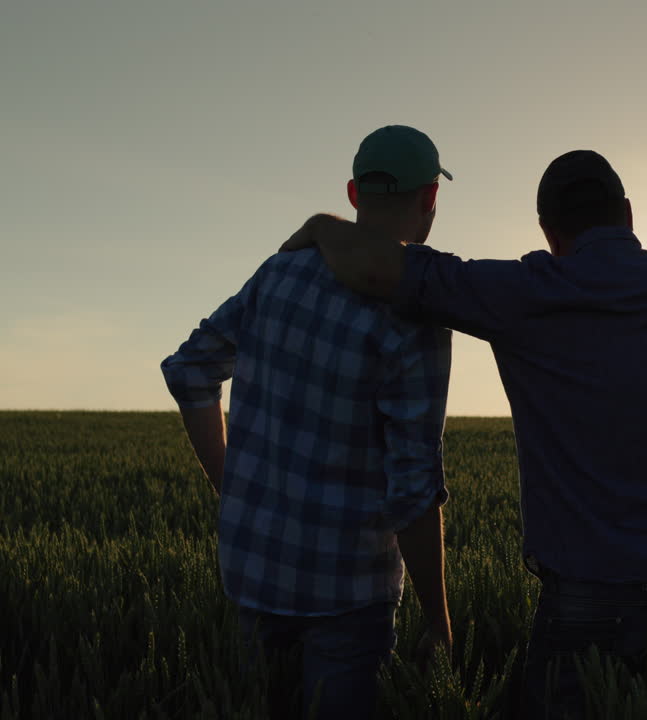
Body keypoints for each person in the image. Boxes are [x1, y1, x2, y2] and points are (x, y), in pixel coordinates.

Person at [284, 149, 647, 718]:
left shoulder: (522, 292)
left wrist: (322, 225)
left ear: (548, 231)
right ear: (627, 213)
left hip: (583, 603)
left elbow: (380, 270)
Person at [161, 125, 455, 720]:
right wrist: (438, 618)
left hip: (252, 573)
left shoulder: (281, 272)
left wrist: (231, 486)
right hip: (349, 593)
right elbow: (413, 488)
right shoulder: (415, 311)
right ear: (430, 198)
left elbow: (190, 370)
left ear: (353, 192)